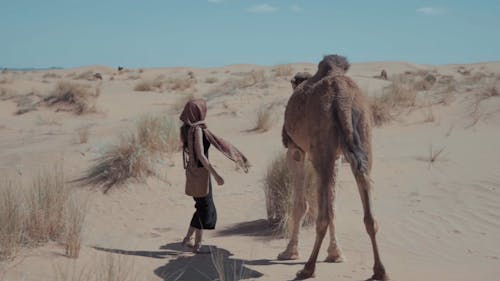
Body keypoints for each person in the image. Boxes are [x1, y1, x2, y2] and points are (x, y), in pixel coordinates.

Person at [179, 99, 250, 253]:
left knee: (201, 207)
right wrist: (216, 175)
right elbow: (201, 155)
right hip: (201, 173)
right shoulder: (197, 130)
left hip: (192, 172)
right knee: (204, 209)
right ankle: (196, 244)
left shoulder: (186, 129)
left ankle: (189, 240)